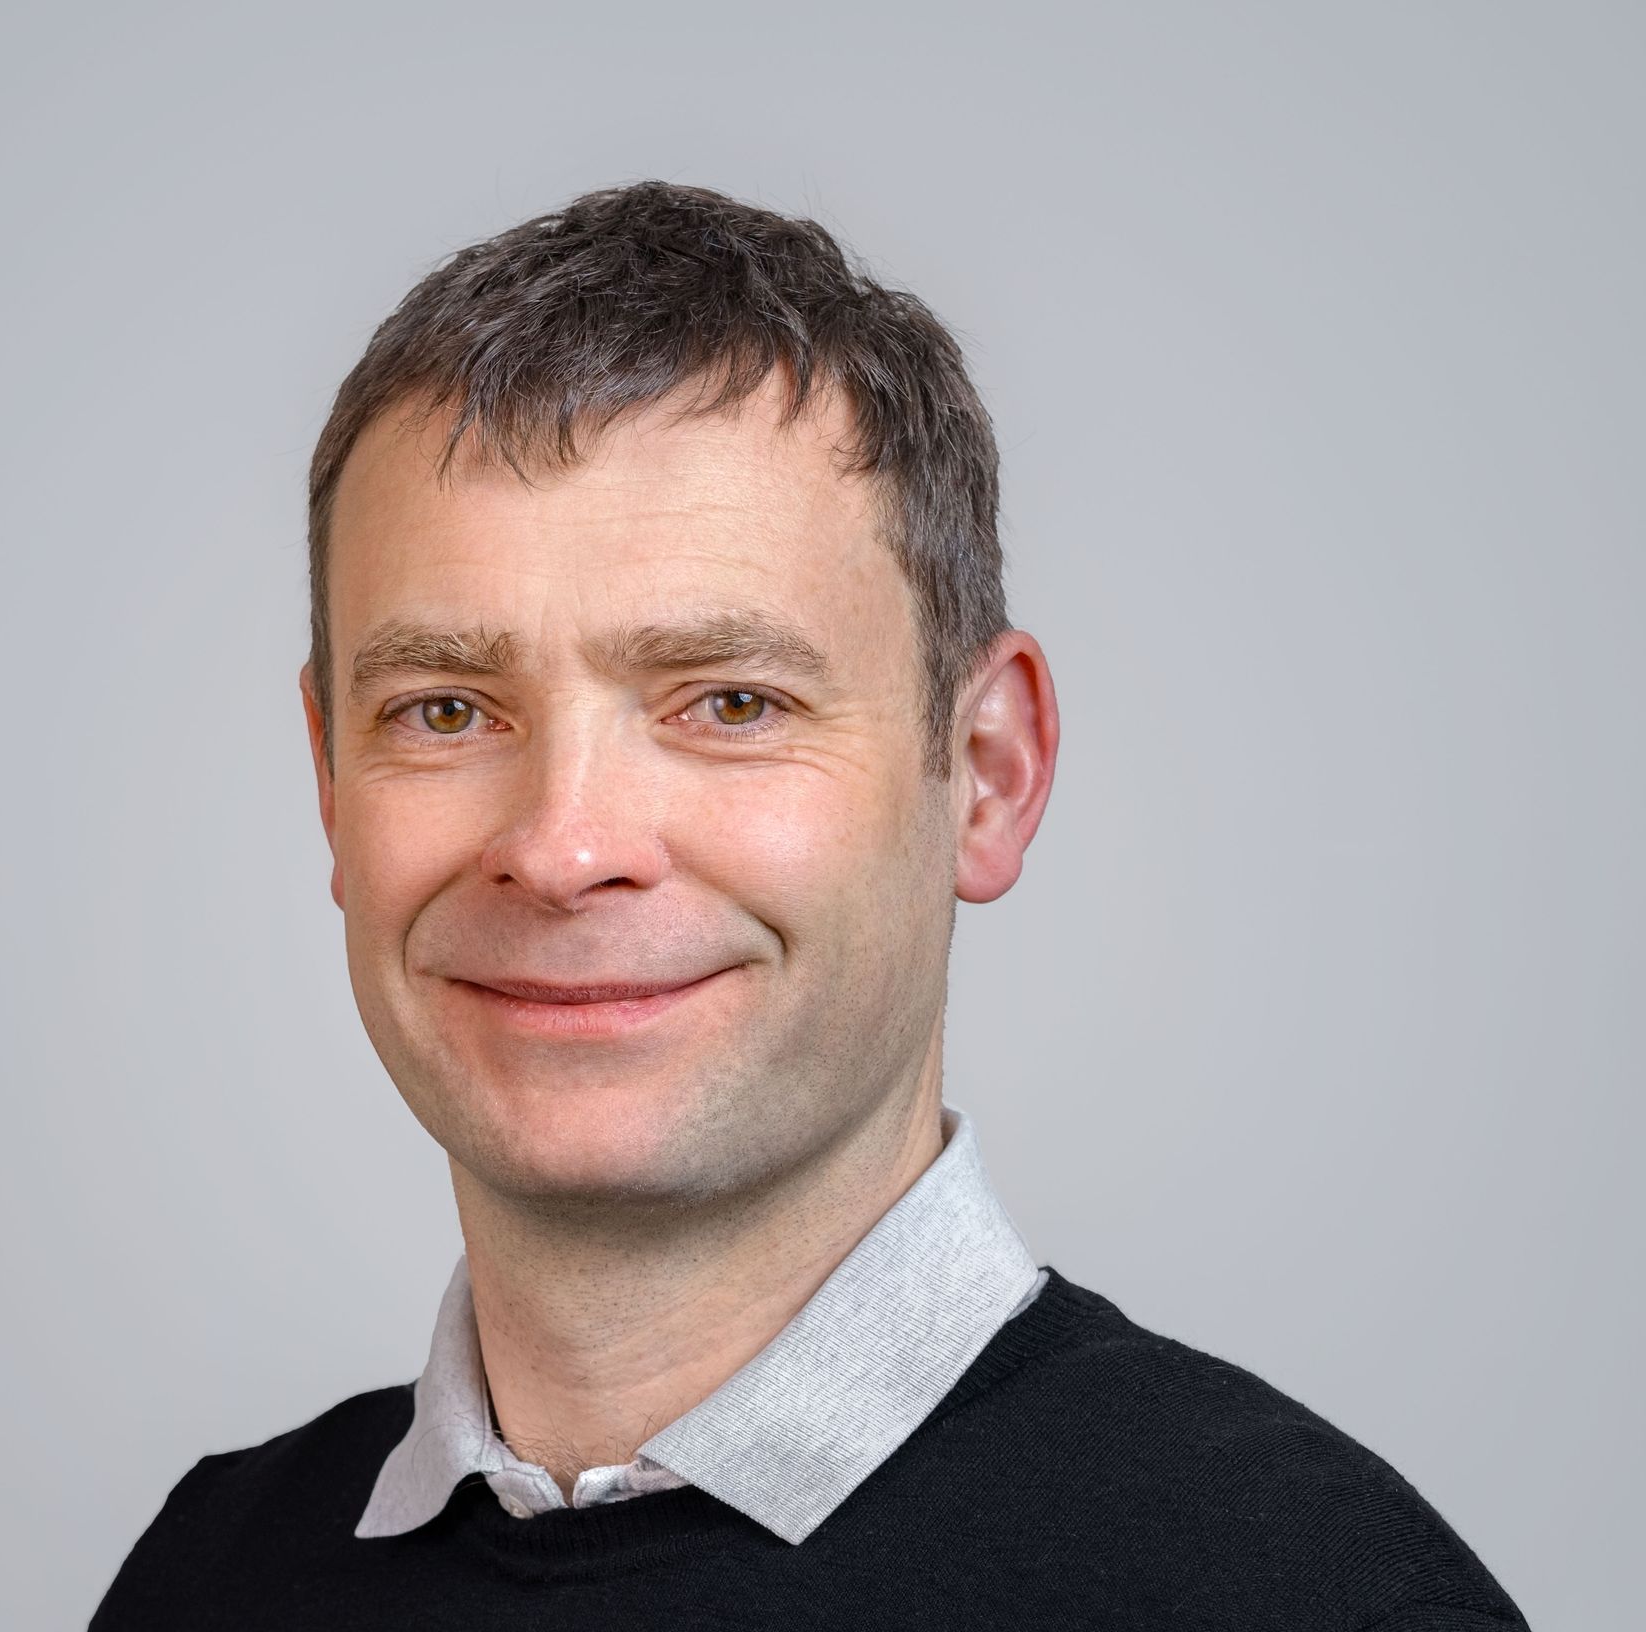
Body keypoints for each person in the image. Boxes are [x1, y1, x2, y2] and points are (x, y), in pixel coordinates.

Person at [91, 181, 1527, 1629]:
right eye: (447, 709)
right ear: (332, 782)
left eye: (728, 700)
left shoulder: (1305, 1595)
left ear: (984, 771)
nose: (563, 846)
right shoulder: (211, 1576)